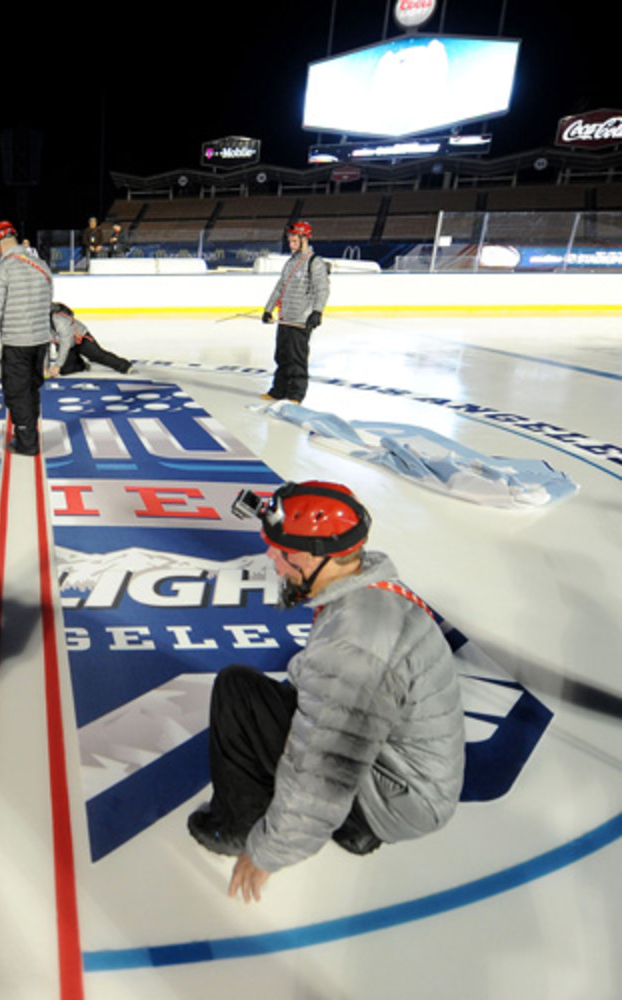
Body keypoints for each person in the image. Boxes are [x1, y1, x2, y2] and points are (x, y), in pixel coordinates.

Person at [188, 480, 465, 904]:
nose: (273, 560)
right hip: (407, 779)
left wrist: (266, 852)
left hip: (400, 797)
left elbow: (323, 771)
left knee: (238, 692)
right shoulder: (367, 594)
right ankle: (356, 827)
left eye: (285, 553)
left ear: (325, 558)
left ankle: (237, 827)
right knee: (285, 699)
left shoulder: (353, 645)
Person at [0, 219, 53, 456]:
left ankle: (27, 443)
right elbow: (47, 305)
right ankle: (29, 432)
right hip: (41, 342)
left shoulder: (1, 270)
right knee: (32, 390)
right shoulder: (42, 266)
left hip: (16, 342)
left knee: (16, 393)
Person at [260, 221, 329, 404]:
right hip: (285, 318)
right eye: (290, 241)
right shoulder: (290, 262)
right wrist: (268, 309)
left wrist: (317, 311)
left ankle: (295, 395)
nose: (291, 245)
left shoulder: (315, 263)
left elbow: (322, 289)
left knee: (296, 359)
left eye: (294, 241)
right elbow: (280, 287)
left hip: (301, 320)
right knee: (281, 356)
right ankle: (278, 390)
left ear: (304, 239)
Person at [48, 302, 133, 377]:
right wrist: (45, 367)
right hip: (64, 343)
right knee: (66, 370)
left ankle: (124, 366)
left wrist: (57, 365)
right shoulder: (38, 329)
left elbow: (65, 343)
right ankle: (81, 364)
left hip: (80, 338)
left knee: (97, 355)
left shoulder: (60, 321)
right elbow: (43, 347)